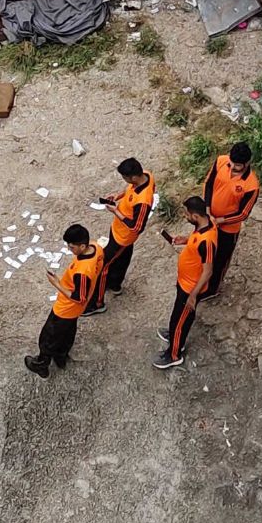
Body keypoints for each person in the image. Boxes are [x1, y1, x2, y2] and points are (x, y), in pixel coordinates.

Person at [24, 225, 104, 378]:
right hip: (73, 313)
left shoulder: (82, 272)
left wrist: (56, 283)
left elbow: (79, 298)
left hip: (66, 309)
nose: (69, 249)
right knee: (67, 333)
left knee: (48, 336)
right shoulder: (96, 247)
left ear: (82, 246)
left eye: (72, 246)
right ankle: (61, 356)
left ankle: (42, 364)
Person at [154, 196, 217, 369]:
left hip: (190, 289)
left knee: (181, 318)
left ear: (196, 216)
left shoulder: (208, 241)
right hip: (184, 283)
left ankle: (174, 354)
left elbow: (208, 270)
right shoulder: (203, 224)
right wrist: (186, 240)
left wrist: (193, 295)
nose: (185, 216)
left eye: (186, 214)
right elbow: (196, 243)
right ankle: (175, 334)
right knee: (178, 316)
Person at [90, 157, 156, 307]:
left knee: (104, 265)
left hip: (123, 237)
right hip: (118, 230)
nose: (124, 180)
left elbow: (137, 227)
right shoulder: (146, 175)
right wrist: (118, 196)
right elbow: (129, 190)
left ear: (133, 177)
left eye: (125, 178)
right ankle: (115, 284)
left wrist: (116, 212)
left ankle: (97, 303)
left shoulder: (143, 201)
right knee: (122, 259)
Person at [202, 141, 259, 299]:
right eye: (232, 163)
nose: (233, 167)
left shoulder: (251, 185)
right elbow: (208, 184)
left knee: (221, 260)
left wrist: (219, 221)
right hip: (208, 218)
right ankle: (201, 279)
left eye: (238, 165)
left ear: (247, 163)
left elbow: (243, 214)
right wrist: (207, 210)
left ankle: (212, 289)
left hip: (228, 229)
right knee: (205, 251)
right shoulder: (221, 161)